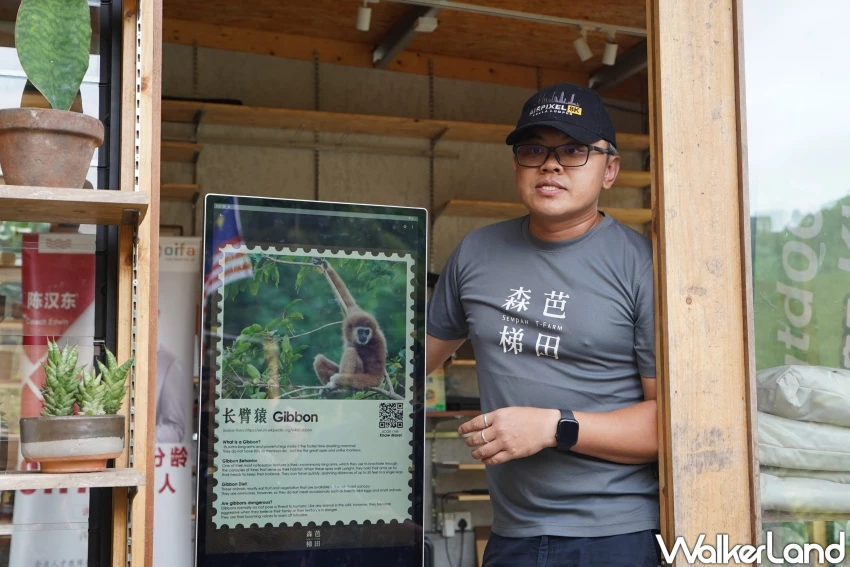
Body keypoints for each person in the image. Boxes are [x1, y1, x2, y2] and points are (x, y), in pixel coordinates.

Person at [425, 83, 660, 567]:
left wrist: (556, 427)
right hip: (512, 534)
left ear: (610, 169)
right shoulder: (476, 252)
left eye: (573, 150)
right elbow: (400, 372)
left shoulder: (643, 267)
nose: (550, 164)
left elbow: (671, 425)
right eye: (533, 149)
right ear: (517, 164)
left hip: (618, 535)